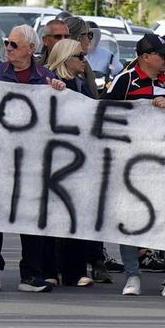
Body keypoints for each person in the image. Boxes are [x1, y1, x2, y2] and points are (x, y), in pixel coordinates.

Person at [104, 33, 165, 298]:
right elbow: (106, 115)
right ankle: (132, 275)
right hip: (131, 161)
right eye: (161, 54)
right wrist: (146, 106)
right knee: (130, 218)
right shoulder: (125, 80)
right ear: (145, 57)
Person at [0, 24, 66, 293]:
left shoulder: (46, 79)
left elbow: (61, 116)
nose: (8, 48)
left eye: (14, 44)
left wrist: (62, 93)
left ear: (31, 48)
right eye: (7, 43)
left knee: (31, 217)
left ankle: (31, 274)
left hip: (32, 162)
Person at [43, 37, 98, 287]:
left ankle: (74, 270)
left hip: (79, 156)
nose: (84, 61)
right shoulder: (52, 83)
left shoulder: (81, 84)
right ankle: (50, 269)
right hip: (56, 157)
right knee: (53, 215)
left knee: (75, 214)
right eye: (80, 56)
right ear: (66, 58)